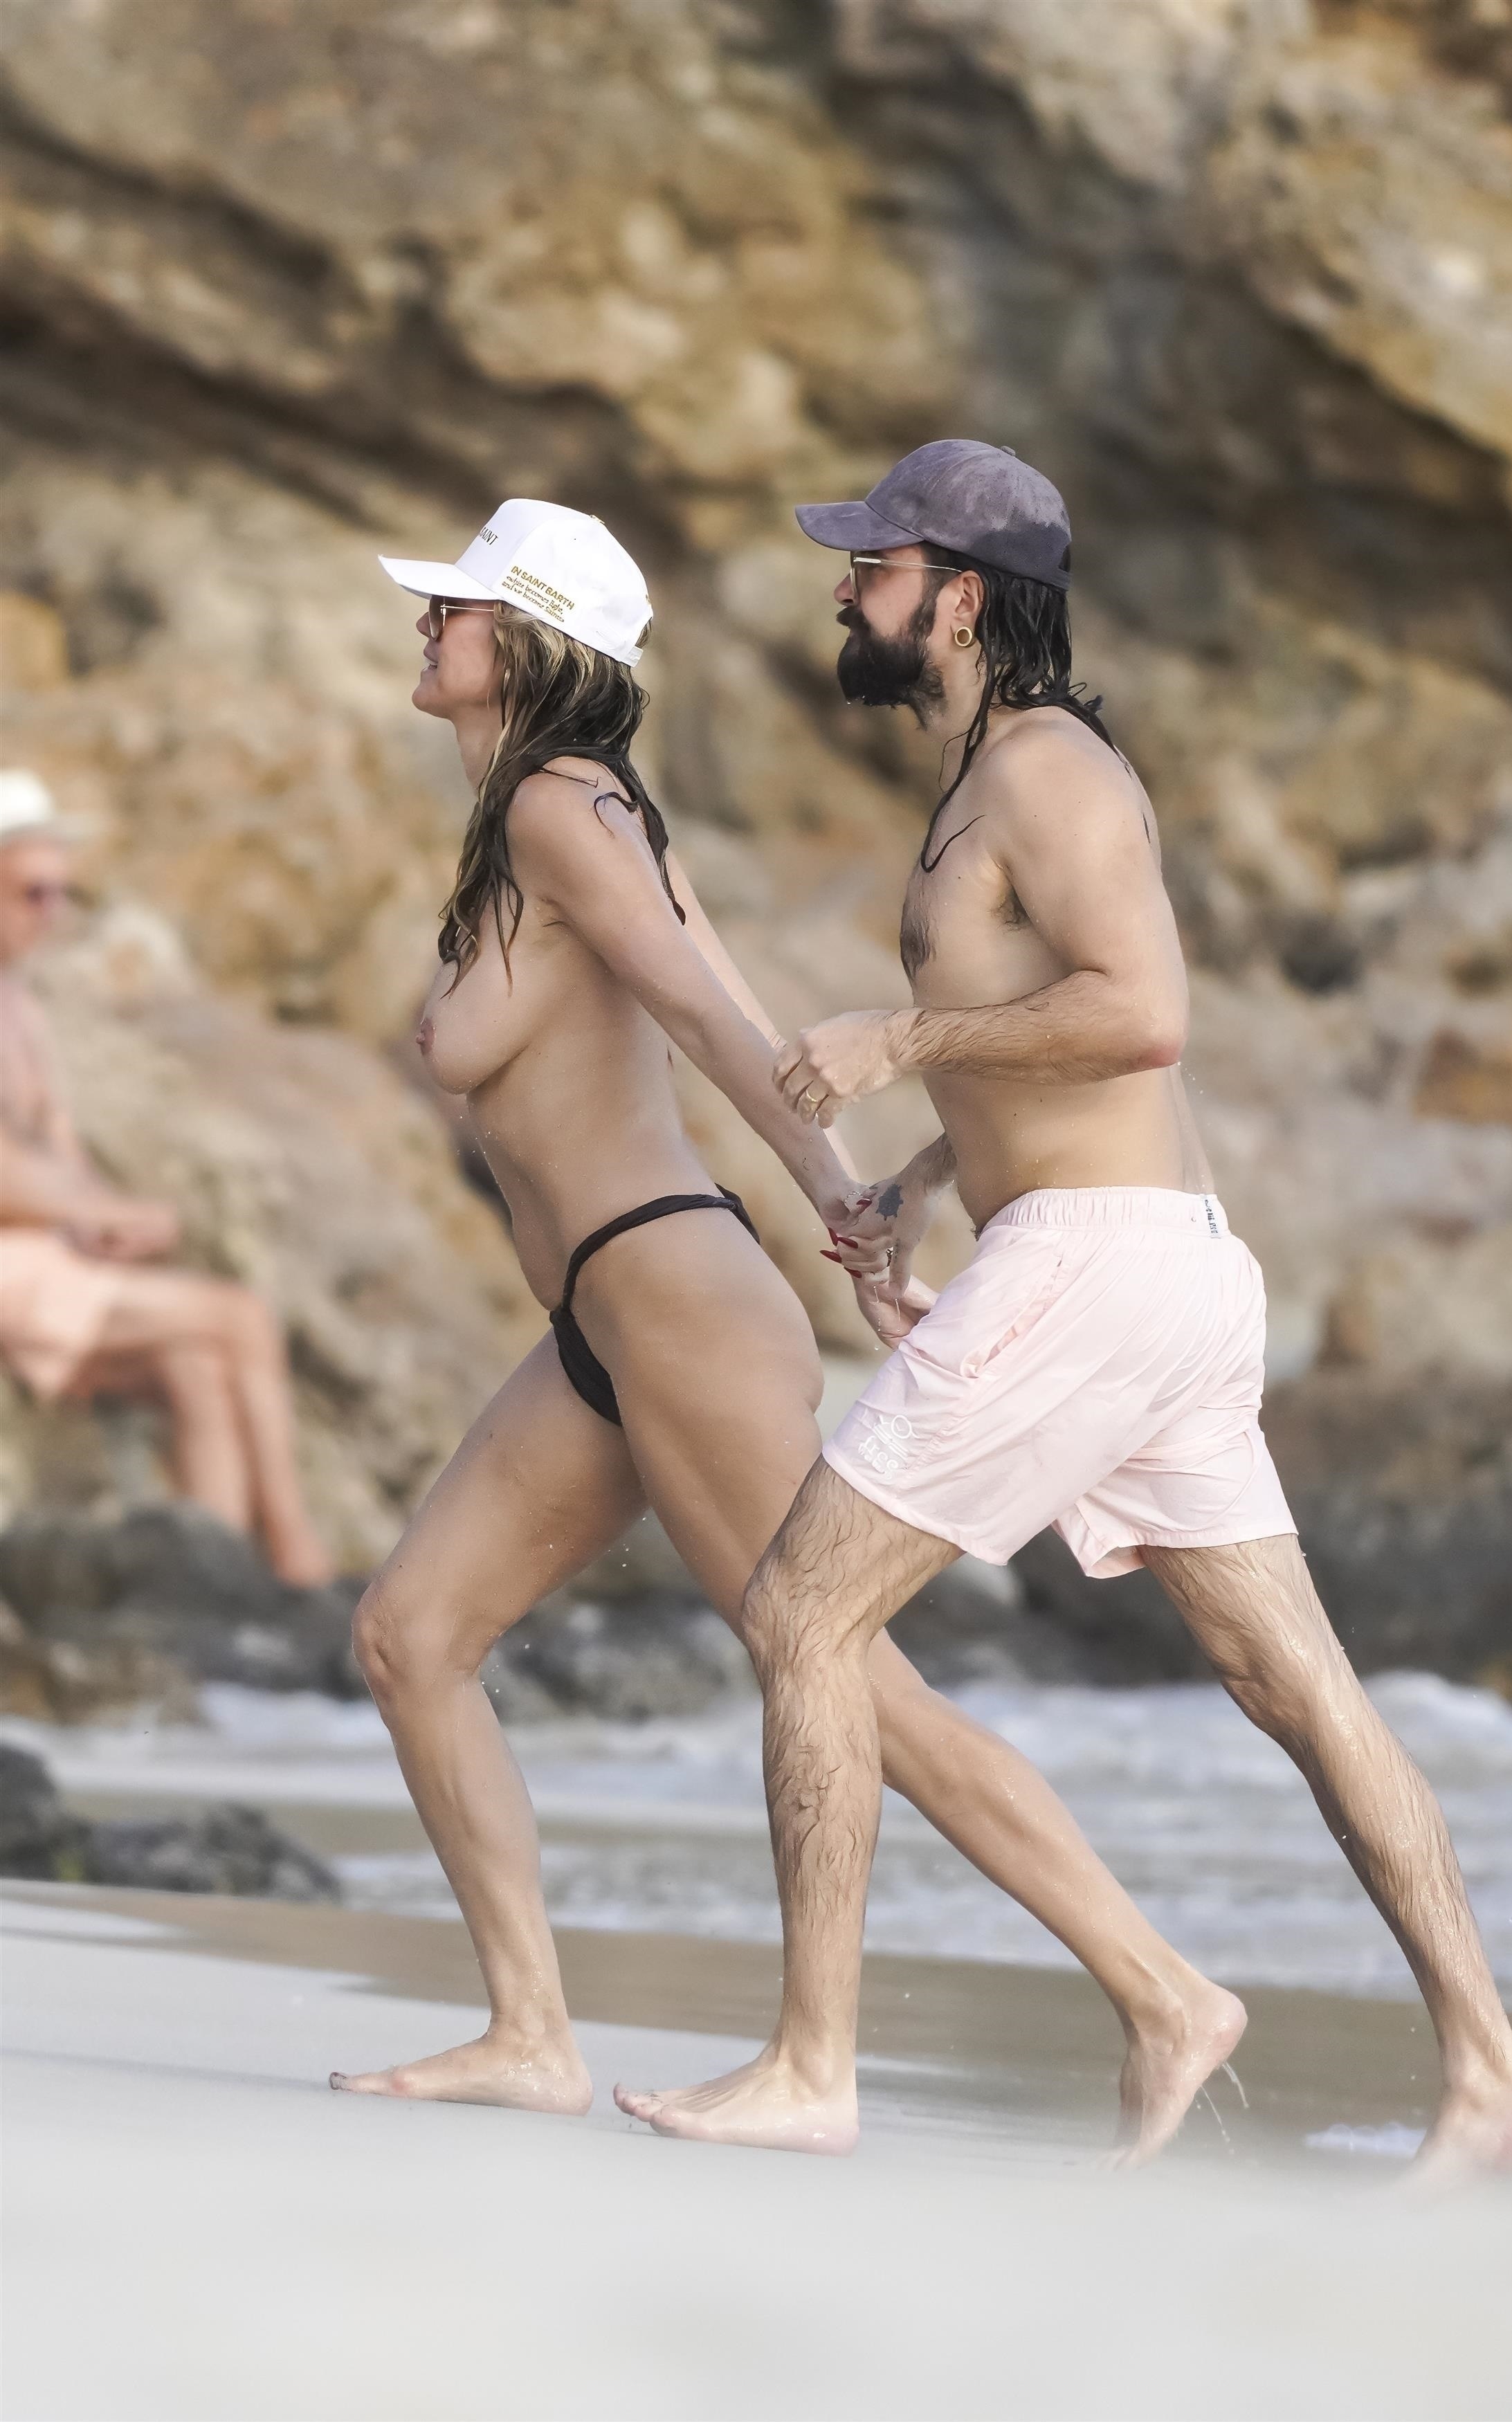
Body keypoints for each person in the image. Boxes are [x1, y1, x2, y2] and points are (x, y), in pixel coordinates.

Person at [615, 441, 1512, 2183]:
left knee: (801, 1613)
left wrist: (893, 1041)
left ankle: (812, 2067)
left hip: (1097, 1265)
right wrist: (921, 1175)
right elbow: (1053, 1039)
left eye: (873, 567)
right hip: (1148, 1264)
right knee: (1292, 1684)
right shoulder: (996, 773)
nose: (844, 590)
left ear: (960, 598)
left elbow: (1141, 1015)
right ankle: (1486, 2072)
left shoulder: (1047, 773)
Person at [331, 496, 1246, 2159]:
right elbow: (730, 996)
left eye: (453, 607)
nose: (426, 624)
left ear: (524, 641)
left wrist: (841, 1202)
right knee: (411, 1636)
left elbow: (700, 1008)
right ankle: (528, 2033)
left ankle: (1161, 1987)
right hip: (608, 1315)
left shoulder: (556, 803)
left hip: (671, 1299)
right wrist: (846, 1204)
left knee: (843, 1674)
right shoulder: (564, 809)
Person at [0, 771, 332, 1586]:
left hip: (47, 1262)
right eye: (31, 892)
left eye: (60, 893)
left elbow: (57, 1156)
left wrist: (109, 1217)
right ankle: (296, 1557)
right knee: (240, 1316)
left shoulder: (23, 1009)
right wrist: (100, 1210)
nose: (50, 912)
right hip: (15, 1268)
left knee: (199, 1365)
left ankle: (212, 1587)